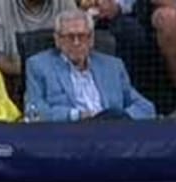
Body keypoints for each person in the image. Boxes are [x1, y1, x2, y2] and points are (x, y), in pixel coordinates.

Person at [25, 8, 153, 119]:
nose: (76, 43)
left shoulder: (113, 66)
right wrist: (76, 115)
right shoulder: (38, 66)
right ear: (58, 40)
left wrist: (119, 118)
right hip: (69, 136)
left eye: (81, 36)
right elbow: (34, 111)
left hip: (113, 136)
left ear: (91, 39)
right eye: (70, 37)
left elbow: (146, 108)